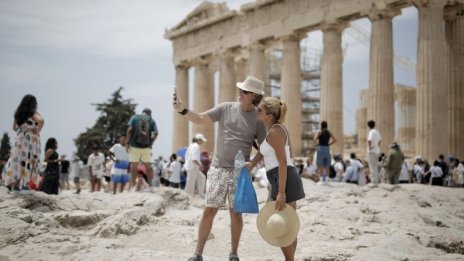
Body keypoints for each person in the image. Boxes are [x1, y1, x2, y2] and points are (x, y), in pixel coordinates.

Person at [173, 75, 267, 261]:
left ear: (254, 96)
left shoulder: (258, 119)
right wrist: (183, 110)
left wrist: (253, 163)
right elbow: (200, 118)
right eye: (241, 90)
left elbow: (264, 147)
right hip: (217, 168)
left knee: (236, 213)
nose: (240, 93)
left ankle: (233, 254)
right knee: (209, 209)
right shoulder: (225, 108)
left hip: (240, 171)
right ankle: (197, 254)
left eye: (244, 91)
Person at [250, 96, 305, 261]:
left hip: (283, 178)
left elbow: (282, 162)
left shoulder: (274, 132)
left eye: (260, 110)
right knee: (287, 225)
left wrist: (281, 191)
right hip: (285, 177)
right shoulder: (276, 129)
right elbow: (265, 151)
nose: (257, 111)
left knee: (281, 227)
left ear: (269, 115)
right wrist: (252, 163)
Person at [2, 94, 44, 193]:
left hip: (19, 140)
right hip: (30, 142)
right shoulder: (32, 113)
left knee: (18, 162)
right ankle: (25, 186)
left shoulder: (18, 113)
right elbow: (41, 121)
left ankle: (16, 187)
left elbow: (14, 128)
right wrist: (36, 130)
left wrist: (22, 129)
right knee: (28, 161)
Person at [126, 108, 158, 188]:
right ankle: (150, 186)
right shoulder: (152, 120)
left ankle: (133, 186)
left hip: (134, 146)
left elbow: (129, 130)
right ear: (149, 113)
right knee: (148, 166)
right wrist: (151, 143)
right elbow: (156, 133)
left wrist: (127, 142)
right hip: (146, 147)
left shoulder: (134, 117)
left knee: (134, 166)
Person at [367, 120, 381, 188]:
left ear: (368, 126)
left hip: (372, 151)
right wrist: (377, 146)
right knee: (375, 166)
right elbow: (380, 141)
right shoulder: (377, 132)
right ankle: (376, 182)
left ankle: (373, 182)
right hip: (377, 151)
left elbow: (369, 140)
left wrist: (369, 148)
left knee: (372, 167)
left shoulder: (371, 132)